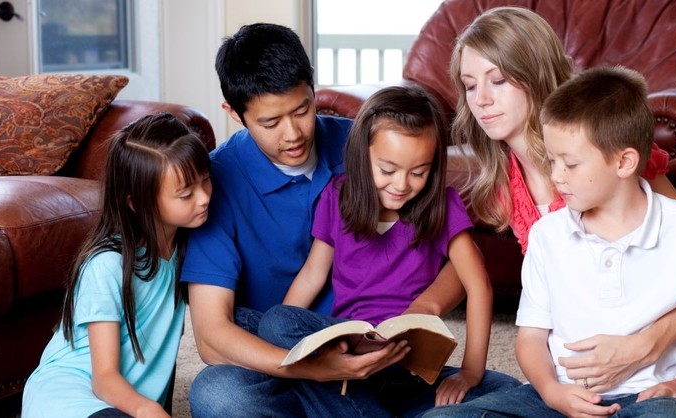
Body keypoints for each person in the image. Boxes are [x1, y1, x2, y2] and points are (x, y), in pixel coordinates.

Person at [424, 65, 676, 417]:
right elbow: (530, 339)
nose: (556, 176)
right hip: (562, 400)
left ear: (624, 162)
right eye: (552, 160)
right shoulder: (548, 235)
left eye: (569, 164)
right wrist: (552, 392)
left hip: (653, 395)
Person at [181, 23, 465, 417]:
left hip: (377, 357)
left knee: (507, 392)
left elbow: (456, 252)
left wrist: (425, 307)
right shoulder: (215, 184)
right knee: (217, 394)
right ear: (235, 114)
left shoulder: (367, 148)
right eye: (270, 123)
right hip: (280, 362)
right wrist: (313, 369)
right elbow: (212, 338)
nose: (294, 133)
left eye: (303, 109)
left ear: (314, 89)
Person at [258, 85, 521, 416]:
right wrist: (287, 346)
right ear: (362, 154)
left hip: (408, 368)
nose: (401, 185)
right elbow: (313, 274)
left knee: (507, 391)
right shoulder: (337, 197)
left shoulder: (441, 205)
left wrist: (471, 372)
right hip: (348, 364)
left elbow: (478, 283)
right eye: (388, 170)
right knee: (276, 321)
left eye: (418, 172)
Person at [21, 113, 212, 418]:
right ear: (136, 202)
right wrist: (148, 409)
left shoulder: (191, 246)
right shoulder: (107, 265)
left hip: (125, 404)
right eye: (186, 194)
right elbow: (104, 379)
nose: (203, 198)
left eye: (205, 180)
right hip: (71, 397)